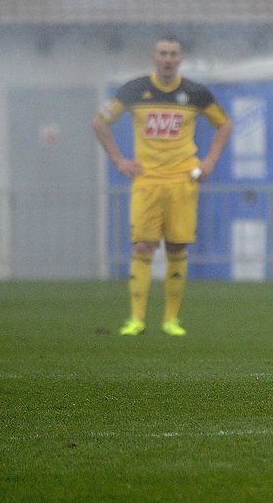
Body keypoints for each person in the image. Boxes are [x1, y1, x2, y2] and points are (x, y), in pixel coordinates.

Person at [92, 36, 232, 337]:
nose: (168, 59)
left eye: (173, 54)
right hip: (147, 181)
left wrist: (208, 162)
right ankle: (136, 320)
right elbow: (100, 122)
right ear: (154, 58)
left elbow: (225, 124)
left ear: (180, 59)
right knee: (142, 245)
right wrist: (119, 161)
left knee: (177, 246)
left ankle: (171, 320)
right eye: (163, 53)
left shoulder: (195, 92)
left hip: (183, 180)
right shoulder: (133, 89)